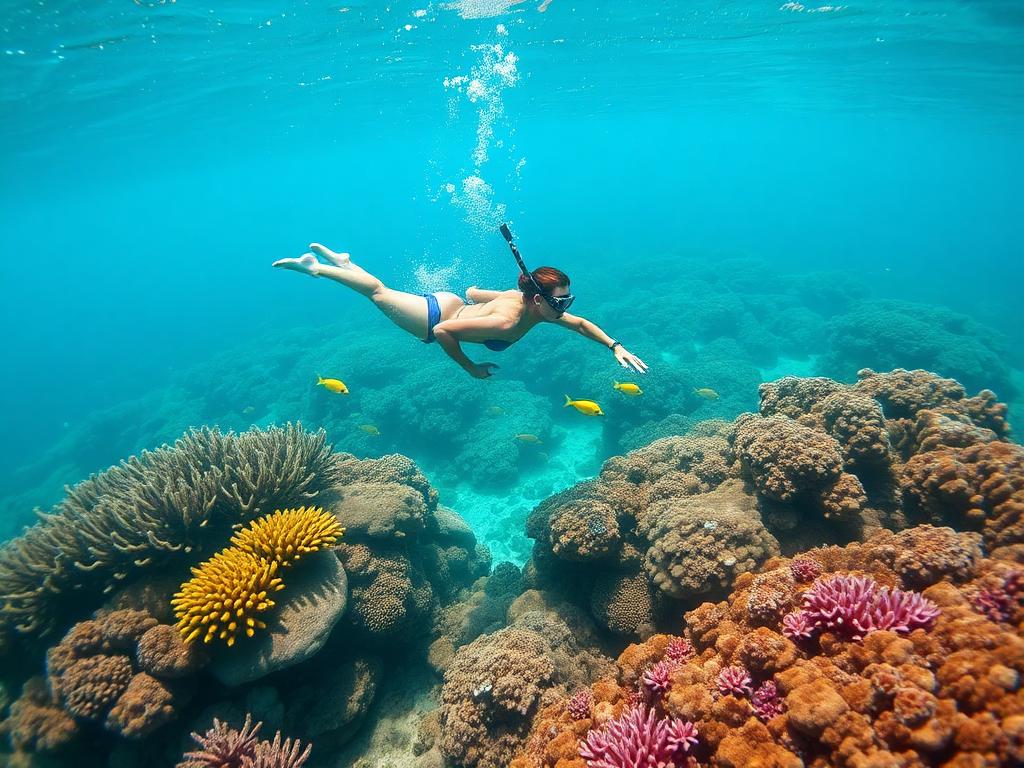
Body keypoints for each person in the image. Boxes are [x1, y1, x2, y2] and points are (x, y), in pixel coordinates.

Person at [272, 226, 648, 379]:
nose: (566, 309)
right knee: (378, 292)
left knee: (380, 289)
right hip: (434, 315)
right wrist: (469, 368)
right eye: (561, 303)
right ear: (538, 299)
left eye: (568, 301)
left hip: (451, 300)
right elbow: (442, 330)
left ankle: (345, 263)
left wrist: (615, 346)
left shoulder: (529, 304)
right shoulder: (506, 322)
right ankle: (318, 269)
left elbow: (471, 292)